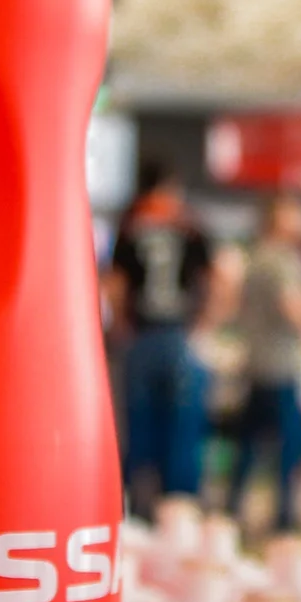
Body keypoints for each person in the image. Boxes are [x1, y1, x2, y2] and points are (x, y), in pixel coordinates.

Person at [105, 161, 213, 516]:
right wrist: (203, 323)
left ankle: (136, 510)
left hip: (141, 336)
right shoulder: (190, 224)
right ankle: (178, 512)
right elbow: (214, 279)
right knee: (182, 430)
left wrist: (120, 325)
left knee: (139, 427)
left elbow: (116, 285)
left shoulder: (130, 224)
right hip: (178, 336)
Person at [224, 194, 301, 533]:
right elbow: (294, 306)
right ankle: (285, 516)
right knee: (290, 444)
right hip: (280, 365)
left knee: (249, 443)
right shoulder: (285, 261)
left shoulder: (254, 257)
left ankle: (232, 508)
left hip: (255, 361)